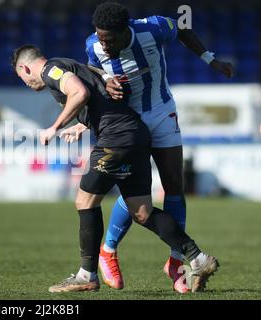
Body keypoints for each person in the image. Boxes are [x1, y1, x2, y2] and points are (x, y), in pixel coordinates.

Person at [11, 44, 219, 293]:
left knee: (85, 200)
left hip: (116, 138)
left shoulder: (50, 70)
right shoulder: (68, 63)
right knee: (141, 212)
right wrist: (83, 124)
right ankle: (198, 258)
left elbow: (79, 93)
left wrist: (54, 127)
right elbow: (101, 92)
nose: (25, 82)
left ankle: (86, 274)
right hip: (136, 134)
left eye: (21, 77)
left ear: (24, 67)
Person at [85, 2, 234, 293]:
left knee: (174, 185)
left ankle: (176, 264)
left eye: (109, 39)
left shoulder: (153, 28)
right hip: (127, 123)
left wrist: (209, 59)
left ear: (124, 31)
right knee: (134, 192)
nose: (104, 44)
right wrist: (104, 80)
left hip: (162, 111)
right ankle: (108, 251)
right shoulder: (94, 45)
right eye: (100, 37)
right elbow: (89, 69)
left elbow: (182, 28)